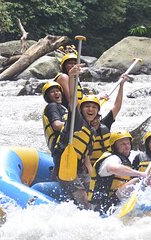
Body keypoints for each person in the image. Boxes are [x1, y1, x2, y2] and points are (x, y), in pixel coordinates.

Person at [52, 63, 97, 209]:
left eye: (94, 108)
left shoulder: (92, 131)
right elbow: (72, 100)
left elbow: (87, 159)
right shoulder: (76, 120)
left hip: (79, 168)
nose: (91, 110)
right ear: (82, 109)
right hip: (64, 165)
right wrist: (72, 77)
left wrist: (94, 178)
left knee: (93, 192)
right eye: (87, 107)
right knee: (83, 197)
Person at [87, 130, 146, 216]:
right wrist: (139, 174)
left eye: (128, 143)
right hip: (102, 206)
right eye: (122, 144)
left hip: (111, 202)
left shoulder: (123, 159)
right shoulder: (112, 158)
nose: (127, 147)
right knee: (137, 180)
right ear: (114, 147)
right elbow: (113, 168)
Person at [89, 74, 129, 166]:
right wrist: (98, 99)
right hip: (89, 168)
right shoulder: (81, 127)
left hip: (106, 165)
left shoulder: (104, 125)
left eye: (97, 118)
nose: (94, 121)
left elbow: (117, 107)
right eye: (92, 119)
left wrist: (121, 85)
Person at [41, 81, 67, 153]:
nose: (56, 93)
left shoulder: (61, 107)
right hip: (60, 148)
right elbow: (57, 125)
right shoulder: (52, 106)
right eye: (52, 92)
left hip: (60, 147)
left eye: (58, 91)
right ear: (48, 96)